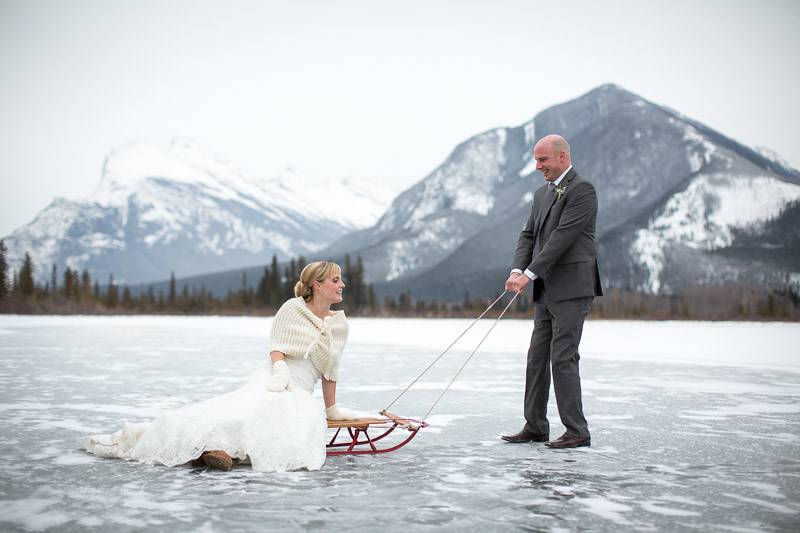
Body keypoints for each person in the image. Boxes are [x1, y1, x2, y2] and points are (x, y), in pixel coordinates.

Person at [81, 261, 356, 471]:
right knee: (255, 406)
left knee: (291, 423)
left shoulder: (337, 324)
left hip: (301, 389)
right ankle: (213, 447)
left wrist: (331, 409)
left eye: (341, 279)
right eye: (336, 279)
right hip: (276, 375)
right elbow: (278, 345)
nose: (342, 284)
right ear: (318, 285)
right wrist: (280, 370)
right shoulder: (292, 308)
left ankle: (220, 450)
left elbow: (330, 369)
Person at [502, 134, 603, 449]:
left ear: (562, 157)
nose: (537, 166)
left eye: (543, 159)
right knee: (536, 358)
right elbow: (528, 235)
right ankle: (535, 426)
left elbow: (563, 237)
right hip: (546, 290)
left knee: (562, 358)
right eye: (536, 159)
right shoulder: (540, 194)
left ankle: (577, 431)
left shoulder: (582, 190)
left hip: (572, 289)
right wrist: (517, 270)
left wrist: (530, 274)